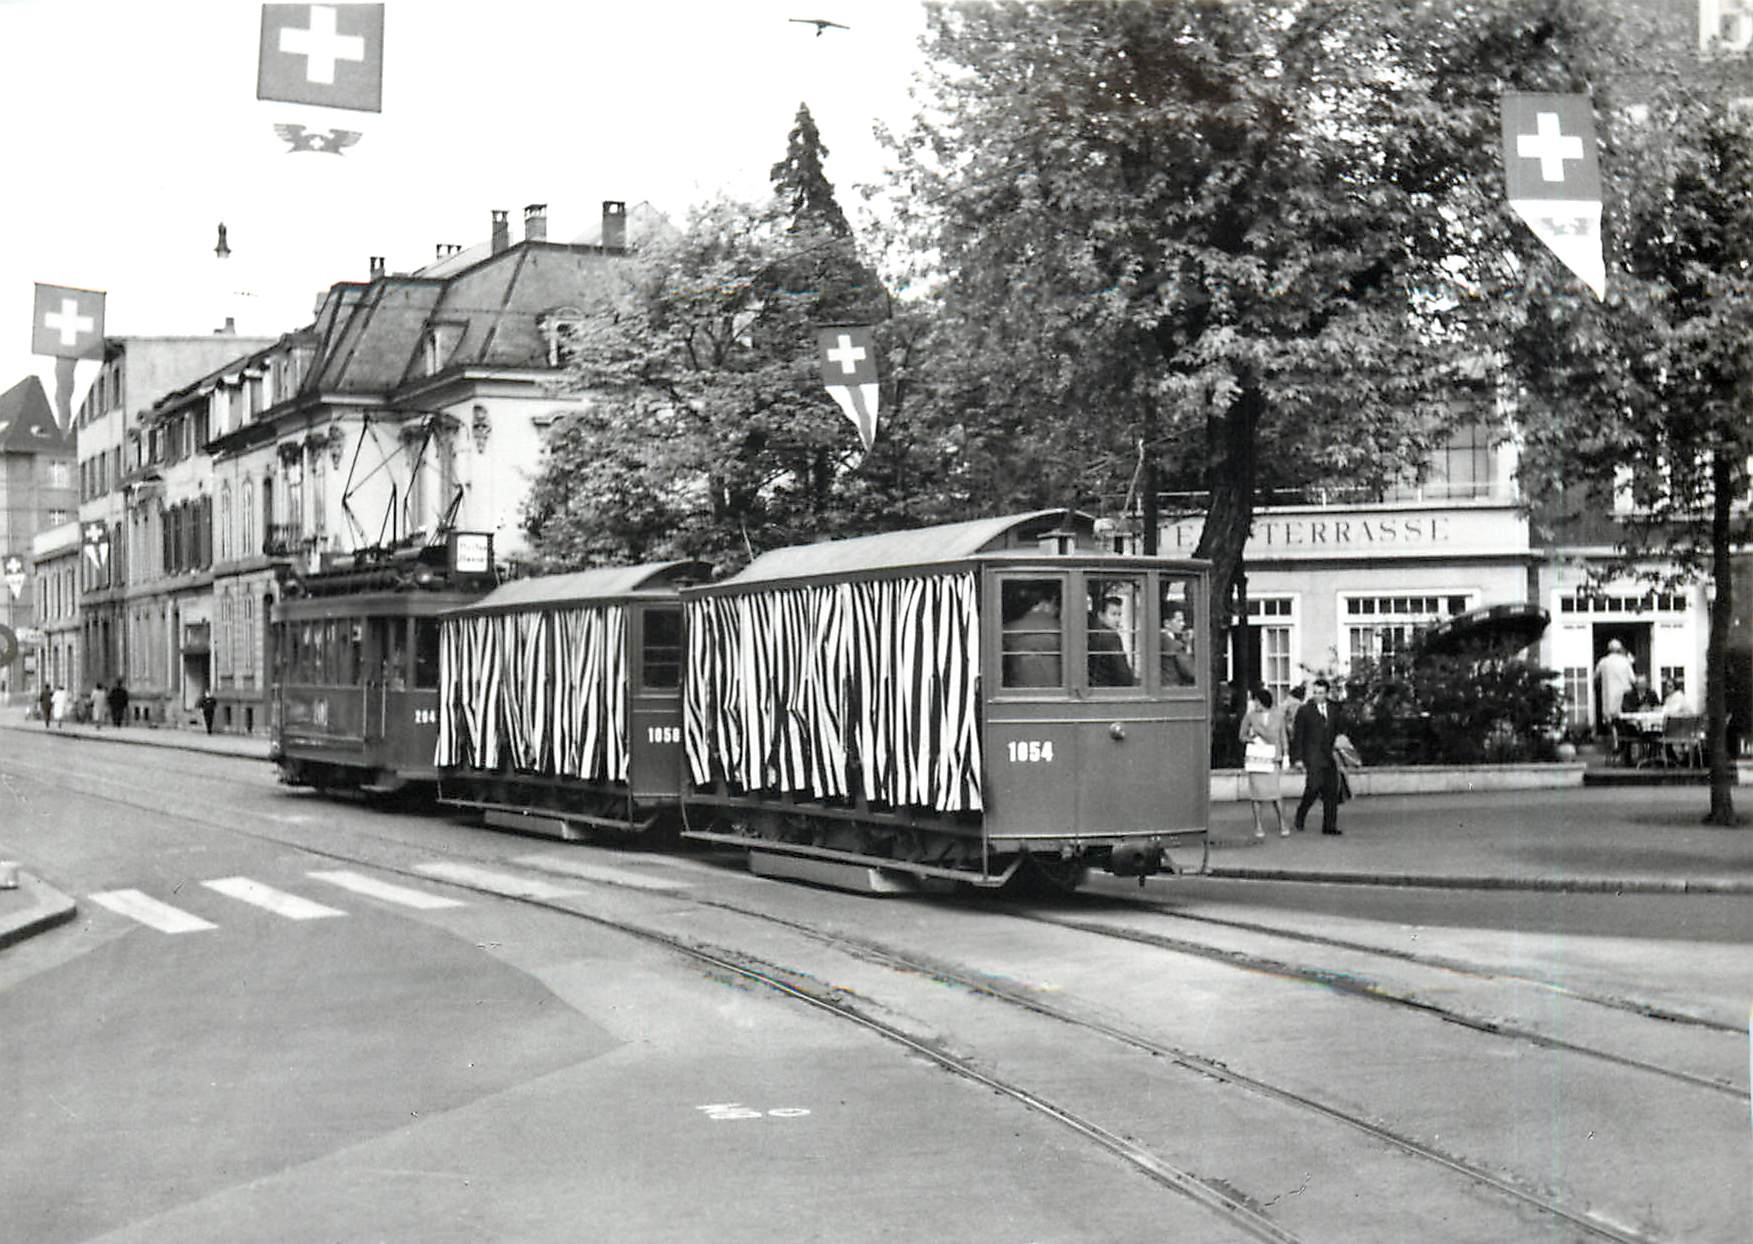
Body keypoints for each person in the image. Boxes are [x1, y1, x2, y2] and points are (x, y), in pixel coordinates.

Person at [1292, 677, 1345, 835]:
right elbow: (1298, 736)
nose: (1317, 696)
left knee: (1331, 791)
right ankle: (1301, 813)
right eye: (1315, 692)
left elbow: (1339, 730)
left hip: (1330, 755)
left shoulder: (1334, 709)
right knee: (1313, 787)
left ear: (1327, 693)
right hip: (1312, 754)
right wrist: (1298, 758)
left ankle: (1329, 826)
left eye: (1321, 693)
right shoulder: (1304, 711)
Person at [1239, 686, 1287, 838]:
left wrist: (1286, 755)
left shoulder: (1278, 715)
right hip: (1257, 758)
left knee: (1275, 793)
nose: (1255, 704)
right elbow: (1242, 735)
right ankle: (1258, 825)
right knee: (1256, 793)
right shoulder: (1250, 716)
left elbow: (1283, 735)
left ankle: (1282, 822)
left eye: (1258, 702)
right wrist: (1252, 739)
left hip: (1273, 757)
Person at [1088, 594, 1135, 687]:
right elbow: (1122, 672)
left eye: (1119, 614)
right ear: (1101, 615)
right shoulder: (1111, 637)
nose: (1118, 619)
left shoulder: (1094, 633)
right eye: (1113, 614)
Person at [1594, 639, 1635, 731]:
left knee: (1611, 721)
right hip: (1624, 696)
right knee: (1624, 721)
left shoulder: (1603, 662)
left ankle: (1614, 738)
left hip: (1609, 696)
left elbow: (1595, 677)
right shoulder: (1625, 661)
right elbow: (1633, 679)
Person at [1160, 607, 1196, 686]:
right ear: (1167, 623)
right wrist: (1188, 644)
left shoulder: (1160, 639)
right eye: (1179, 621)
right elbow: (1191, 671)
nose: (1183, 624)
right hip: (1174, 688)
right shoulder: (1175, 645)